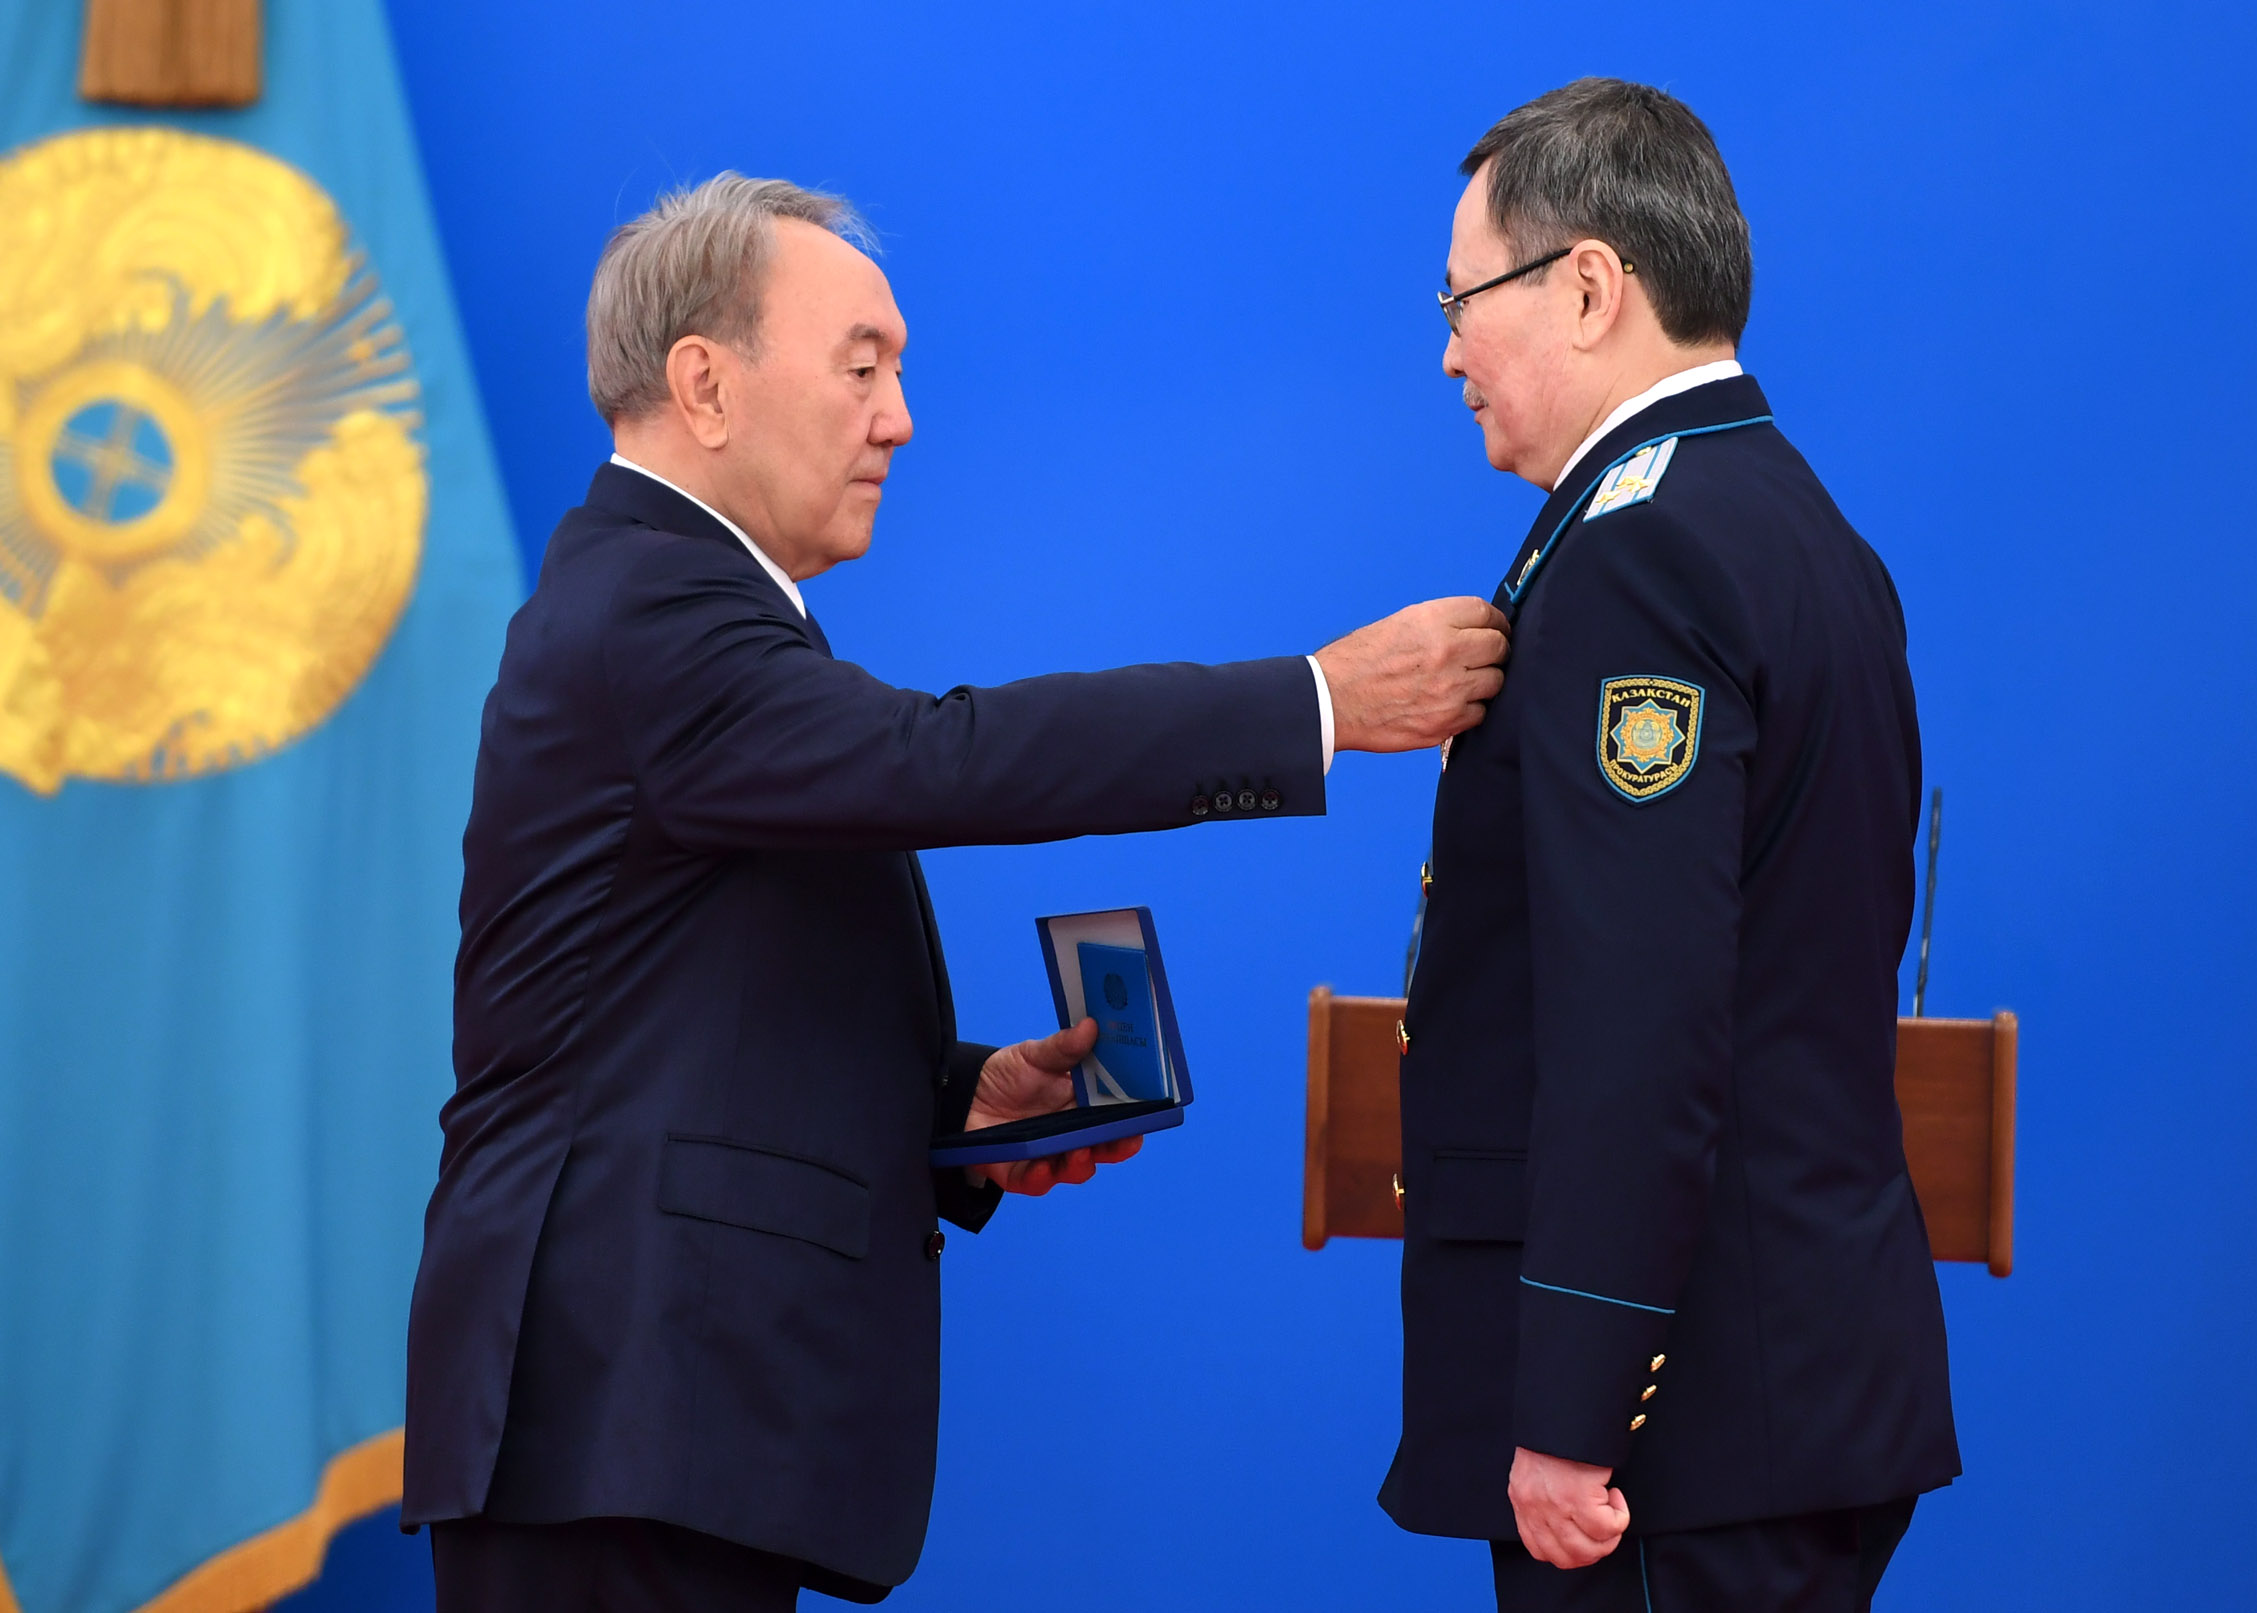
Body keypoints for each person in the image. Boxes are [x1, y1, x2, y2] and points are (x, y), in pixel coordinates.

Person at [400, 174, 1509, 1611]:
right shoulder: (649, 609)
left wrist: (955, 1103)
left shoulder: (684, 610)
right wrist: (1318, 703)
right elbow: (942, 759)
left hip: (653, 1421)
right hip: (617, 1410)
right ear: (705, 385)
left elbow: (692, 1009)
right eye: (861, 367)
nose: (900, 419)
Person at [1379, 79, 1961, 1611]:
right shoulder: (1794, 524)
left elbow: (1638, 1012)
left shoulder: (1636, 551)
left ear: (1586, 287)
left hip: (1677, 1433)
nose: (1447, 350)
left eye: (1461, 297)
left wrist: (1575, 1403)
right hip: (1791, 1383)